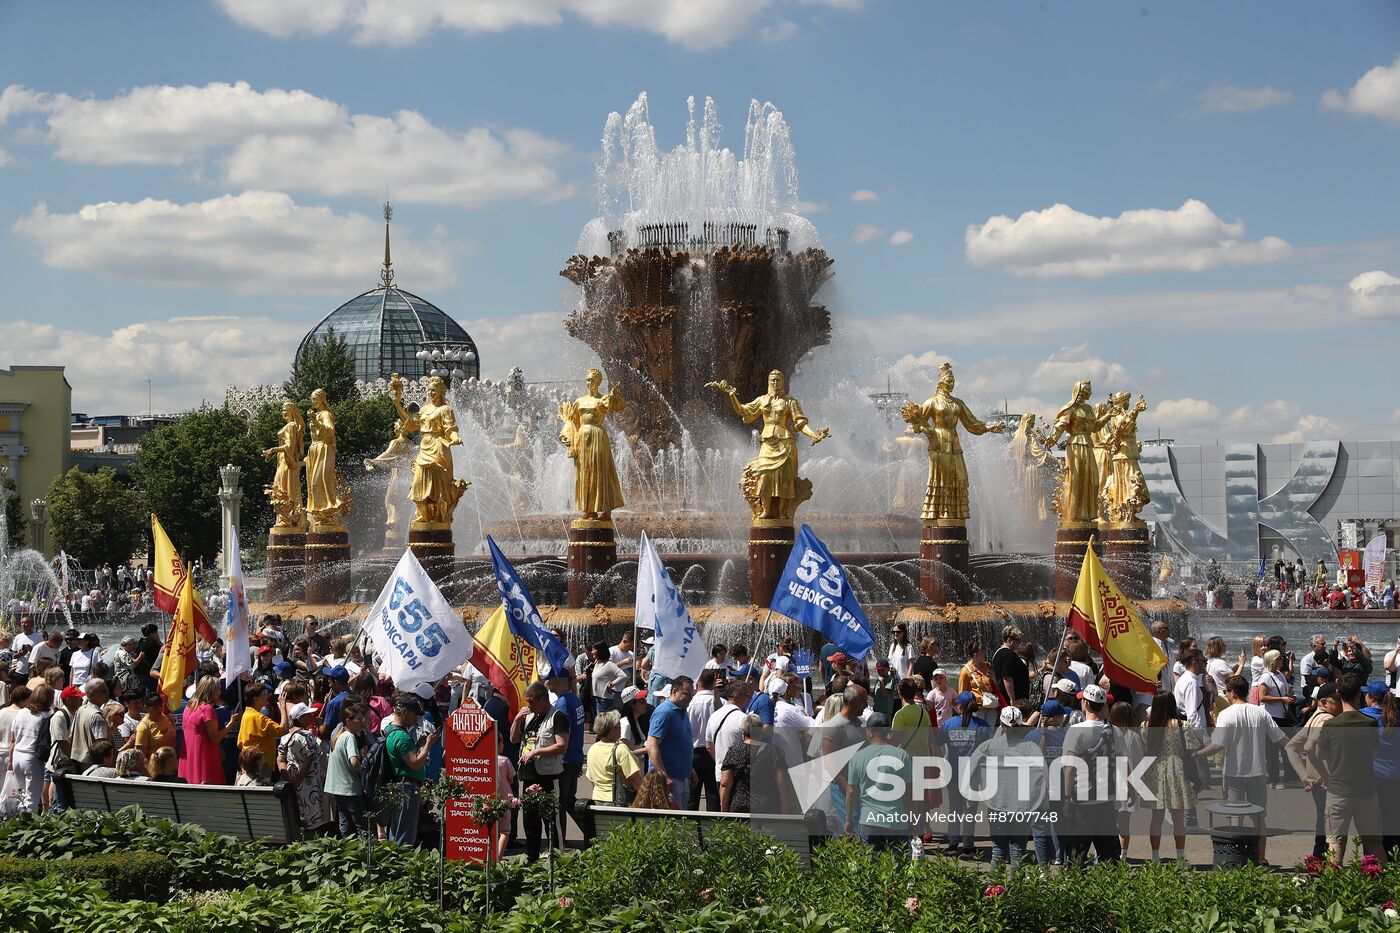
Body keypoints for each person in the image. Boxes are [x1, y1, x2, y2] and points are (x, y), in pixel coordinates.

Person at [1195, 675, 1287, 862]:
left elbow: (1217, 745)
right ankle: (1260, 859)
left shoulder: (1226, 714)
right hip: (1258, 771)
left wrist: (1198, 754)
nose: (1226, 696)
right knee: (1259, 818)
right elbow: (1281, 738)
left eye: (1227, 692)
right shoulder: (1261, 713)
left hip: (1233, 773)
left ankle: (1237, 857)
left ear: (1232, 693)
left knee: (1235, 817)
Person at [1313, 672, 1385, 863]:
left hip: (1338, 789)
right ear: (1359, 695)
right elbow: (1374, 753)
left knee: (1336, 843)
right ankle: (1387, 887)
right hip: (1366, 789)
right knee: (1374, 843)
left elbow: (1318, 755)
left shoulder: (1331, 724)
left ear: (1338, 693)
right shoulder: (1369, 723)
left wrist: (1326, 777)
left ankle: (1332, 888)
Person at [969, 706, 1045, 874]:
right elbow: (1043, 776)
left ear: (1000, 724)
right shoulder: (1031, 748)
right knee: (1018, 850)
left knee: (998, 849)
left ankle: (995, 891)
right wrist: (1042, 803)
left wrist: (971, 794)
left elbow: (971, 769)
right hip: (1022, 807)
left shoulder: (988, 746)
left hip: (996, 804)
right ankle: (1014, 892)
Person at [1060, 684, 1125, 863]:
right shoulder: (1115, 731)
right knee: (1109, 856)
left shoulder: (1076, 731)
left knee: (1077, 854)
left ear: (1085, 704)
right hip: (1106, 799)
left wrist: (1066, 798)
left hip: (1082, 800)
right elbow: (1122, 765)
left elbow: (1069, 768)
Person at [511, 683, 568, 862]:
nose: (529, 706)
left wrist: (536, 752)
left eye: (532, 701)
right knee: (530, 821)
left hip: (548, 777)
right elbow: (514, 739)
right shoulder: (529, 717)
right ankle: (532, 857)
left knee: (552, 820)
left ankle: (557, 857)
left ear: (543, 698)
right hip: (529, 777)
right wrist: (517, 720)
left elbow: (561, 746)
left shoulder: (557, 717)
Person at [1141, 693, 1200, 862]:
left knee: (1156, 817)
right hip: (1177, 770)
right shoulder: (1182, 725)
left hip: (1155, 770)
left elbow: (1145, 747)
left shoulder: (1146, 725)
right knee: (1178, 818)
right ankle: (1181, 857)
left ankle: (1155, 856)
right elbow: (1191, 749)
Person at [941, 690, 991, 856]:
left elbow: (938, 742)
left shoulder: (948, 724)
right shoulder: (983, 726)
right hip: (973, 774)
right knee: (970, 811)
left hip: (953, 771)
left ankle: (953, 845)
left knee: (954, 809)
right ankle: (968, 846)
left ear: (959, 707)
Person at [384, 694, 438, 846]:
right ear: (405, 712)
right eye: (415, 715)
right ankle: (402, 866)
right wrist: (427, 745)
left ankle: (394, 863)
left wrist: (417, 745)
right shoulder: (402, 736)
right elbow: (415, 764)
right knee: (405, 835)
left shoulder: (390, 730)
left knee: (396, 831)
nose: (416, 720)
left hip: (398, 786)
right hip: (407, 788)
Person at [719, 713, 793, 815]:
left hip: (740, 807)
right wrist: (785, 813)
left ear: (743, 732)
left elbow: (725, 784)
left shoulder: (734, 751)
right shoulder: (774, 751)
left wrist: (723, 812)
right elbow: (782, 783)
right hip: (767, 807)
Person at [278, 702, 333, 833]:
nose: (311, 716)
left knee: (298, 812)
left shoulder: (284, 737)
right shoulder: (306, 736)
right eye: (308, 714)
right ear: (300, 718)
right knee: (312, 815)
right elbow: (309, 759)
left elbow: (280, 759)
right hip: (309, 782)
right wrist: (300, 778)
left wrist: (289, 778)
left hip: (292, 780)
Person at [180, 676, 243, 785]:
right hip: (204, 757)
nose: (220, 691)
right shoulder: (207, 709)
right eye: (218, 688)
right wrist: (231, 722)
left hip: (189, 757)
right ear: (211, 690)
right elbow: (215, 738)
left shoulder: (189, 706)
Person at [646, 676, 695, 810]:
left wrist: (690, 769)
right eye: (686, 693)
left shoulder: (682, 711)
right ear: (674, 691)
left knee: (680, 823)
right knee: (669, 824)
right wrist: (664, 777)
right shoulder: (664, 712)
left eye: (692, 694)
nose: (690, 697)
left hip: (681, 778)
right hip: (669, 780)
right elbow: (652, 745)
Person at [548, 669, 587, 838]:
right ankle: (592, 832)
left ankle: (558, 844)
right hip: (575, 756)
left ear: (556, 681)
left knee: (559, 804)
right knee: (569, 801)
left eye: (549, 680)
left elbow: (563, 732)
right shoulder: (573, 699)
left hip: (565, 759)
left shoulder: (562, 703)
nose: (547, 683)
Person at [4, 685, 52, 812]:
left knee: (23, 795)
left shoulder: (21, 713)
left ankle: (18, 821)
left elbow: (12, 740)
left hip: (17, 756)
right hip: (32, 759)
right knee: (32, 798)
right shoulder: (47, 715)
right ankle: (28, 826)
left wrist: (10, 759)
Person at [585, 711, 642, 813]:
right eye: (617, 726)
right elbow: (634, 779)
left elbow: (592, 779)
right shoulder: (621, 749)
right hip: (618, 801)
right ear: (610, 730)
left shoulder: (592, 749)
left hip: (597, 800)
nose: (620, 729)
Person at [324, 704, 365, 836]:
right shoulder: (349, 737)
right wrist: (364, 772)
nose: (361, 722)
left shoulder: (338, 736)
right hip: (350, 787)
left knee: (344, 821)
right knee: (361, 824)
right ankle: (368, 852)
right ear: (348, 720)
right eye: (358, 719)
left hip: (336, 788)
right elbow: (354, 761)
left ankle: (346, 850)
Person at [687, 670, 722, 811]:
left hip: (693, 752)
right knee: (713, 795)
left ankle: (689, 829)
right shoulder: (722, 702)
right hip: (714, 752)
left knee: (692, 796)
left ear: (697, 683)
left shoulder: (689, 703)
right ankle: (713, 830)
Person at [236, 684, 285, 778]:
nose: (267, 695)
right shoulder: (259, 718)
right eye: (264, 694)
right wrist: (282, 707)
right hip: (261, 764)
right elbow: (281, 730)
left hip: (247, 762)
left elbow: (239, 744)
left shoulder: (246, 714)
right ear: (255, 699)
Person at [991, 626, 1029, 709]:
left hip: (1002, 696)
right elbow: (1007, 677)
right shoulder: (1009, 655)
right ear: (1009, 640)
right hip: (1014, 699)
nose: (1019, 643)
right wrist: (1012, 699)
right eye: (1018, 641)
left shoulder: (997, 653)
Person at [589, 641, 628, 715]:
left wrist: (612, 684)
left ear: (600, 651)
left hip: (604, 700)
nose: (592, 652)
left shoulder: (609, 665)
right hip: (594, 698)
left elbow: (623, 676)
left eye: (594, 650)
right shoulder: (596, 662)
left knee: (603, 725)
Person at [958, 640, 998, 711]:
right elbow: (962, 692)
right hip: (976, 708)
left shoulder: (987, 666)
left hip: (991, 705)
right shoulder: (965, 671)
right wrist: (963, 710)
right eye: (982, 652)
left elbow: (995, 686)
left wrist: (994, 678)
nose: (984, 654)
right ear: (975, 655)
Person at [133, 694, 176, 759]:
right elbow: (142, 756)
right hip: (156, 766)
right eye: (155, 707)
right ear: (146, 707)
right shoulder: (143, 727)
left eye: (160, 705)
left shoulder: (167, 717)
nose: (159, 709)